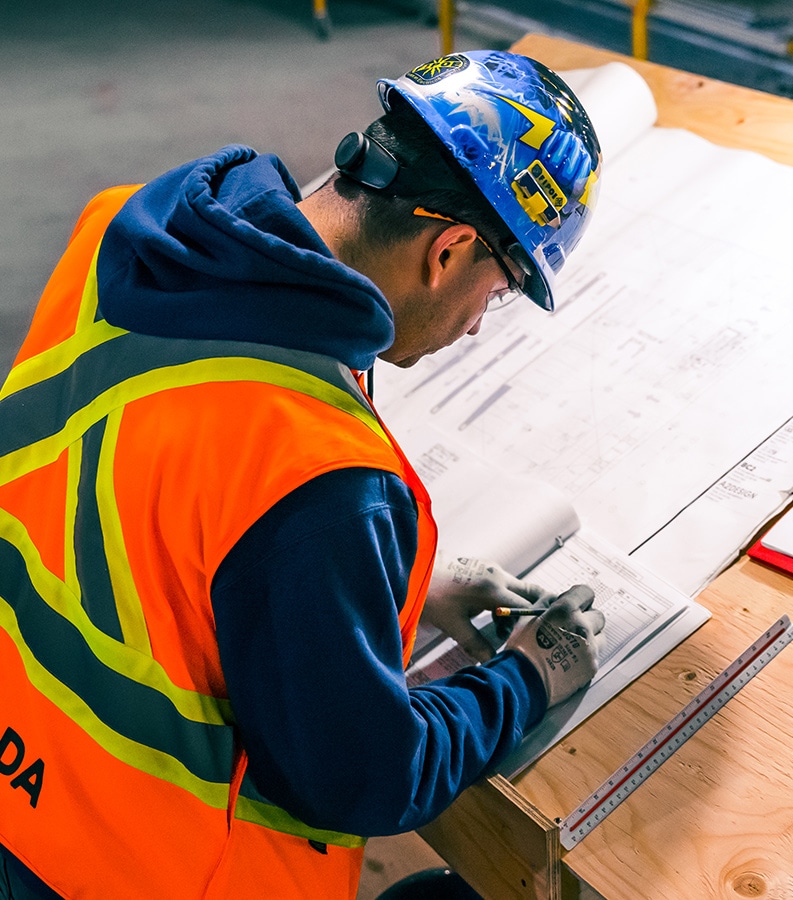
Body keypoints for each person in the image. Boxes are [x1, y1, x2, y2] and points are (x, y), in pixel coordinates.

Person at [0, 51, 605, 899]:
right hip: (141, 870)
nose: (473, 328)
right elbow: (363, 776)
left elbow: (137, 493)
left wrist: (396, 586)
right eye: (498, 291)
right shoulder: (316, 468)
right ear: (451, 249)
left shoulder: (131, 236)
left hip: (20, 787)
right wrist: (525, 678)